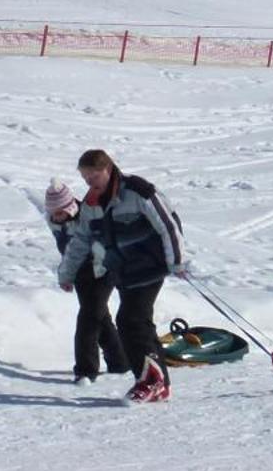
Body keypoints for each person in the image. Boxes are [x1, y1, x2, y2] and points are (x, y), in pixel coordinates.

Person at [58, 149, 185, 403]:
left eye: (93, 176)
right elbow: (80, 241)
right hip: (123, 271)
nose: (89, 183)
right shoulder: (92, 204)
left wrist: (177, 261)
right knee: (140, 323)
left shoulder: (138, 191)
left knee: (130, 320)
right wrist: (67, 273)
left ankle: (149, 381)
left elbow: (167, 225)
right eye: (85, 179)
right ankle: (160, 383)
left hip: (151, 265)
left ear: (107, 169)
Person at [45, 179, 128, 384]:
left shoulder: (89, 215)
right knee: (99, 316)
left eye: (60, 211)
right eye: (53, 212)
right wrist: (67, 274)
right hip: (80, 271)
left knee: (88, 318)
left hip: (103, 268)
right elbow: (67, 251)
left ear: (70, 206)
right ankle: (120, 362)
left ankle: (85, 371)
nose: (56, 216)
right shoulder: (54, 220)